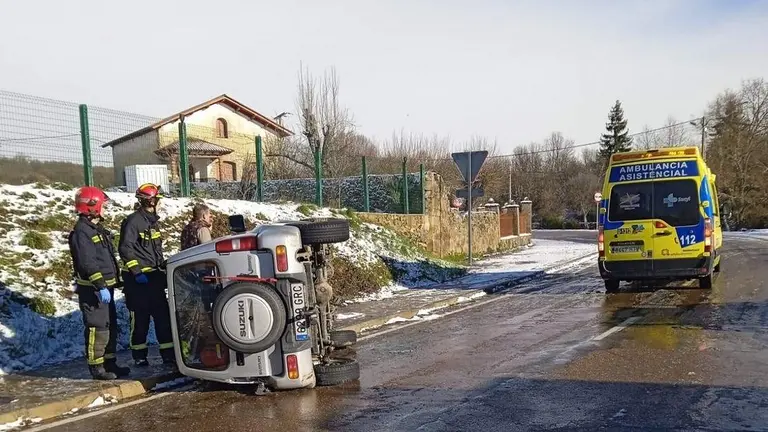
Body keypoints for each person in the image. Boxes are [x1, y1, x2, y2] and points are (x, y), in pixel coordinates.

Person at [68, 186, 131, 380]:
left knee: (109, 325)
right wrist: (101, 285)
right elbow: (87, 262)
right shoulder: (82, 232)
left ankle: (110, 362)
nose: (104, 208)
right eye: (102, 205)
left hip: (105, 288)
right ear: (92, 207)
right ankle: (97, 367)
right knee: (97, 327)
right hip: (93, 290)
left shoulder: (96, 229)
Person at [118, 183, 175, 367]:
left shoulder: (152, 222)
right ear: (151, 201)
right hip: (138, 282)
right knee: (140, 320)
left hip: (154, 278)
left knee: (162, 318)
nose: (159, 202)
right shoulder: (133, 222)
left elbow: (154, 251)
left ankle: (168, 354)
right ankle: (139, 356)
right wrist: (136, 272)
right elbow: (126, 249)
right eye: (157, 199)